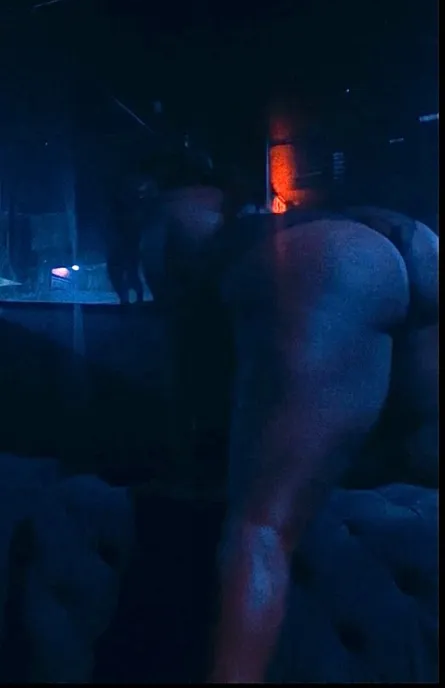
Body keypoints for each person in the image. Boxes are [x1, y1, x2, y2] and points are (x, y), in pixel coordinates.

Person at [140, 160, 438, 682]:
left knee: (260, 528)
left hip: (332, 261)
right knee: (425, 452)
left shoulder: (167, 214)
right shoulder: (241, 206)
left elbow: (186, 354)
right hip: (417, 243)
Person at [106, 173, 157, 305]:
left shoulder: (134, 204)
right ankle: (129, 300)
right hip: (126, 241)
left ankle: (132, 300)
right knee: (124, 271)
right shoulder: (128, 204)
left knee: (128, 271)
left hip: (129, 241)